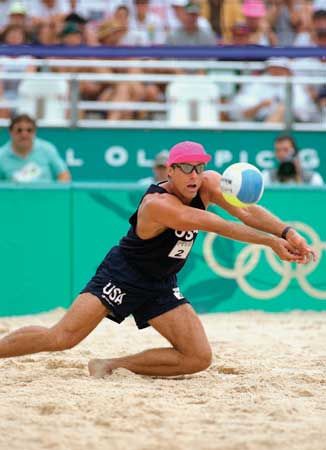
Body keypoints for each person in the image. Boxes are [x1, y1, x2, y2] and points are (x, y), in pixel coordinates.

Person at [0, 141, 316, 377]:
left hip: (161, 282)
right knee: (62, 338)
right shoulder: (157, 204)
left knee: (198, 357)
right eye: (187, 168)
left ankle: (111, 366)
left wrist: (287, 231)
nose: (195, 175)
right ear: (170, 171)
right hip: (123, 275)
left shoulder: (207, 184)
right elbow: (217, 224)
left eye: (200, 167)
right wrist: (271, 242)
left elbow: (246, 211)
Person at [0, 114, 71, 182]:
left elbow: (64, 175)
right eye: (19, 130)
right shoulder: (1, 155)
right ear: (10, 132)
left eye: (29, 130)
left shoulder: (47, 149)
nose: (24, 135)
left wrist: (57, 194)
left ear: (35, 132)